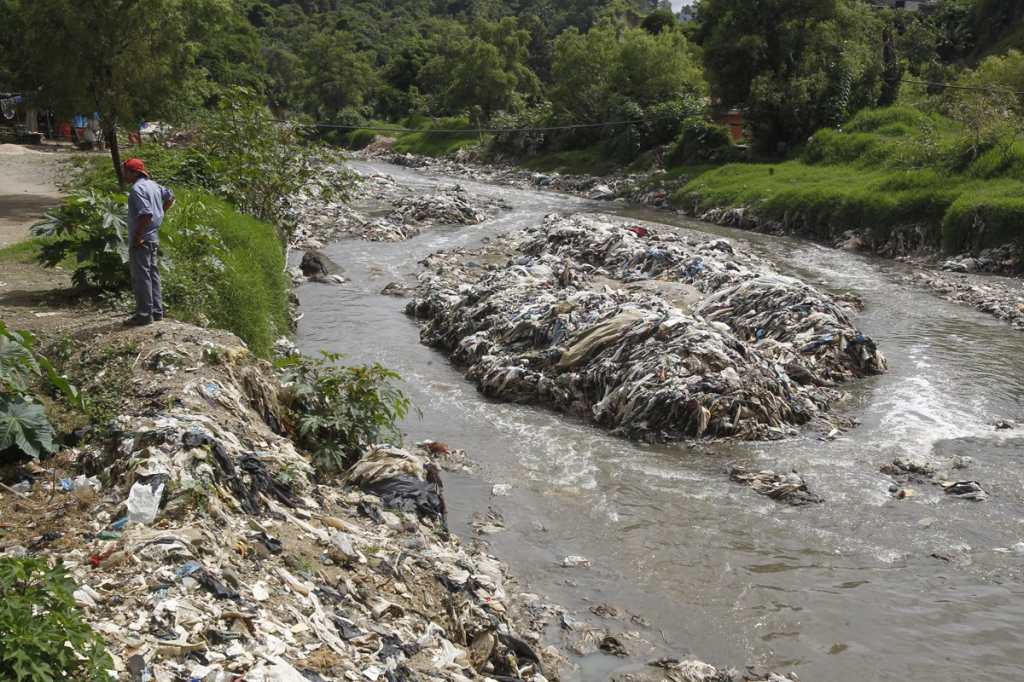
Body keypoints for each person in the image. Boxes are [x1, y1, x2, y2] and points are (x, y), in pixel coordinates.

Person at [122, 158, 174, 326]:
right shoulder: (154, 185)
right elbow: (170, 197)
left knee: (142, 276)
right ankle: (157, 312)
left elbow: (146, 214)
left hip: (143, 238)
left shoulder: (137, 189)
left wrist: (138, 236)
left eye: (126, 172)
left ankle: (144, 314)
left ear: (133, 172)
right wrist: (161, 212)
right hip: (153, 236)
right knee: (153, 274)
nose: (124, 175)